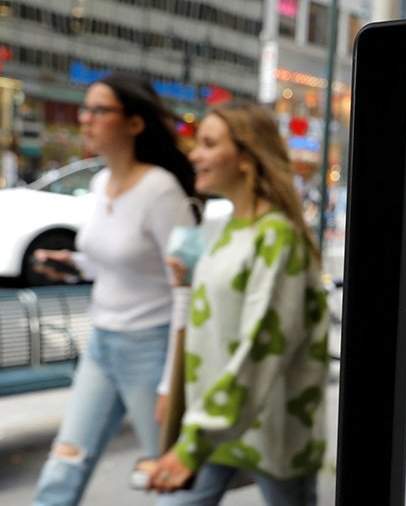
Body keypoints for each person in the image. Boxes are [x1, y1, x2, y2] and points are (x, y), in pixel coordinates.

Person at [148, 104, 330, 505]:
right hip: (217, 419)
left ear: (246, 158)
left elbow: (263, 343)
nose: (195, 154)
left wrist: (193, 442)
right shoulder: (230, 227)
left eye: (209, 144)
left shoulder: (277, 236)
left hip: (270, 428)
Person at [32, 73, 200, 506]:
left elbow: (186, 287)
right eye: (84, 109)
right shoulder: (99, 183)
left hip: (151, 348)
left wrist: (171, 382)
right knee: (63, 465)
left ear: (135, 123)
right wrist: (71, 265)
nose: (85, 119)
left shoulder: (161, 190)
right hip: (101, 345)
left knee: (171, 478)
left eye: (99, 110)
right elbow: (115, 261)